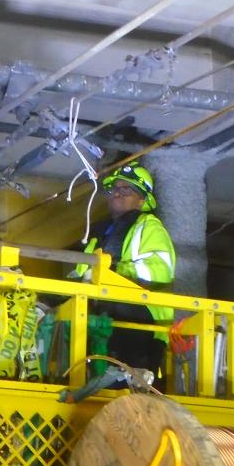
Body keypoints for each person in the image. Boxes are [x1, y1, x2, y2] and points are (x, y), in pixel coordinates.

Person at [72, 161, 176, 377]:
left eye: (126, 189)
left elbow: (160, 269)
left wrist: (117, 270)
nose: (117, 194)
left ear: (142, 199)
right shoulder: (100, 236)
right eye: (114, 189)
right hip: (105, 322)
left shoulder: (149, 226)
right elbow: (81, 274)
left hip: (144, 324)